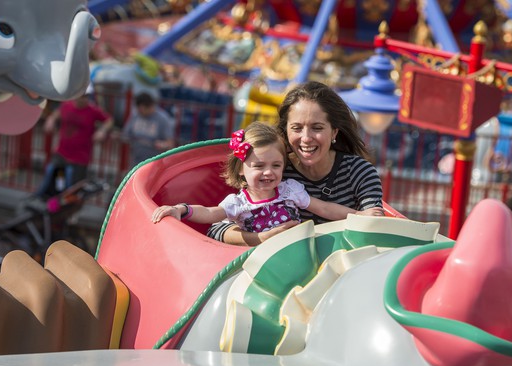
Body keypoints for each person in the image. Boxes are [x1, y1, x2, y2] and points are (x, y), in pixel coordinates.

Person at [206, 80, 385, 246]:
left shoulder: (360, 172)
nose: (306, 138)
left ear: (334, 133)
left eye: (317, 128)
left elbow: (374, 227)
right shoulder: (276, 169)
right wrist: (261, 238)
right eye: (297, 128)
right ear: (286, 131)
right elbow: (217, 229)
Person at [151, 122, 383, 230]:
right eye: (259, 166)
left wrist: (359, 215)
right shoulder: (238, 203)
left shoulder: (290, 189)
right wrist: (181, 209)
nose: (268, 172)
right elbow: (211, 213)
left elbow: (325, 208)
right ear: (241, 168)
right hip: (259, 261)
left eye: (276, 165)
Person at [37, 87, 114, 198]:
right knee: (58, 182)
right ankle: (55, 204)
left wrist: (102, 131)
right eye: (81, 96)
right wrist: (51, 120)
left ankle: (71, 210)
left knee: (75, 188)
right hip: (62, 154)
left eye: (86, 96)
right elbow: (56, 114)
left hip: (80, 157)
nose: (84, 99)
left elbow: (109, 120)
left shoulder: (93, 111)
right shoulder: (67, 106)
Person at [122, 91, 175, 167]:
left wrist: (162, 145)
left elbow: (170, 144)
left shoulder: (163, 119)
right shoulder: (135, 115)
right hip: (136, 162)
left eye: (142, 110)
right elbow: (126, 135)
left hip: (154, 163)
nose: (140, 112)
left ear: (150, 106)